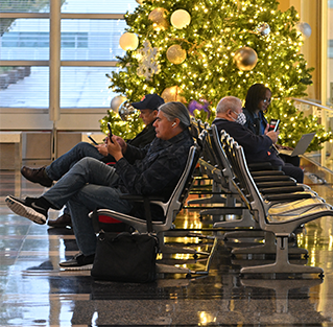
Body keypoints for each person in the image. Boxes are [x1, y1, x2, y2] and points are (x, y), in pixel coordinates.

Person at [4, 102, 193, 270]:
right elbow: (143, 155)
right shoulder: (167, 140)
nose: (154, 124)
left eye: (158, 120)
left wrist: (118, 156)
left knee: (77, 193)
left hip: (139, 202)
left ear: (175, 122)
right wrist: (125, 148)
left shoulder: (175, 154)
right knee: (87, 163)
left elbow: (141, 187)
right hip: (128, 182)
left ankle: (90, 254)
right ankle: (43, 205)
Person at [20, 93, 165, 228]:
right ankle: (67, 213)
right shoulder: (152, 131)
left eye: (143, 113)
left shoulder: (157, 134)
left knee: (82, 149)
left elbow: (140, 160)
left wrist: (111, 152)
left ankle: (46, 177)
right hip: (123, 166)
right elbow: (139, 152)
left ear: (155, 113)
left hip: (123, 170)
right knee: (75, 164)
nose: (140, 116)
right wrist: (121, 145)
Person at [213, 96, 304, 183]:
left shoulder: (220, 126)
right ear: (230, 113)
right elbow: (253, 145)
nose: (242, 113)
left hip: (255, 167)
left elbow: (249, 141)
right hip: (258, 169)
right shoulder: (230, 127)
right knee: (297, 172)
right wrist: (269, 138)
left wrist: (264, 137)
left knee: (290, 166)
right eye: (240, 110)